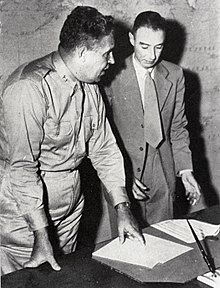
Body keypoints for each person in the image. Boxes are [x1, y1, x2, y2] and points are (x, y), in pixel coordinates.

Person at [0, 6, 144, 275]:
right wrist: (41, 235)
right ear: (82, 54)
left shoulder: (90, 86)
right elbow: (22, 169)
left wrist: (123, 207)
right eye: (107, 53)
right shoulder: (28, 88)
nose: (113, 61)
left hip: (68, 214)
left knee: (62, 279)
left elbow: (104, 149)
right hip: (23, 220)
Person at [103, 11, 201, 228]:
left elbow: (177, 127)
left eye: (158, 47)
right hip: (125, 169)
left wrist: (185, 170)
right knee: (128, 249)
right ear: (131, 40)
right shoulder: (111, 74)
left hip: (163, 173)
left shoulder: (175, 74)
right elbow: (103, 133)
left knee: (164, 241)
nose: (151, 55)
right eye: (144, 46)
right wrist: (124, 174)